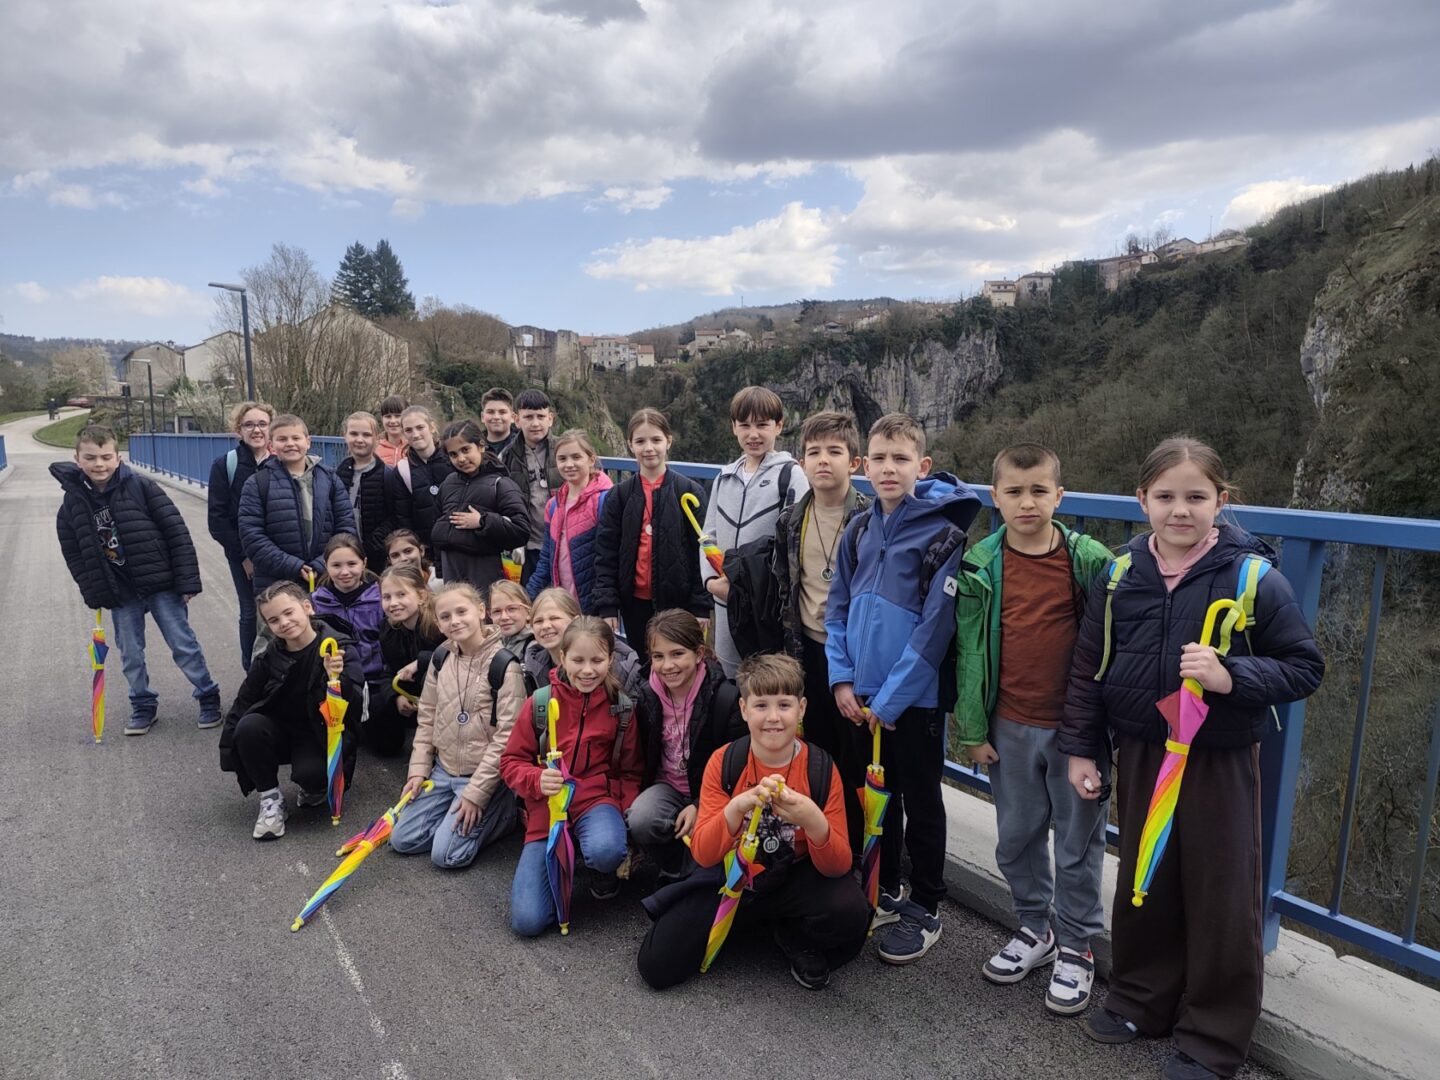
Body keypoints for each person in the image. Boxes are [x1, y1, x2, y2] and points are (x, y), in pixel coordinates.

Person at [1061, 437, 1324, 1080]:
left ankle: (1213, 1035)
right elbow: (1088, 670)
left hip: (1217, 757)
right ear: (1142, 500)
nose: (1180, 510)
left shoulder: (1252, 578)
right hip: (1143, 747)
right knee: (1144, 876)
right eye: (1166, 496)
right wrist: (1082, 749)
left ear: (1221, 501)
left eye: (1196, 497)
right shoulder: (1119, 576)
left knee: (1221, 890)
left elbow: (1303, 667)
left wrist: (1231, 676)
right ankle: (1140, 999)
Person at [952, 444, 1113, 1015]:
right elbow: (969, 653)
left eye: (1039, 491)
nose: (1027, 503)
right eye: (1014, 492)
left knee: (1077, 845)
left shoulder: (1088, 560)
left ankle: (1076, 946)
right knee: (1017, 835)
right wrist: (972, 729)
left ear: (1059, 496)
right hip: (1009, 725)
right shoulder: (980, 563)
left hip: (1077, 733)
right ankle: (1034, 929)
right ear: (994, 498)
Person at [826, 413, 979, 964]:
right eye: (880, 459)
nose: (889, 469)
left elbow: (935, 629)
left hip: (914, 702)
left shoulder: (943, 533)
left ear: (923, 466)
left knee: (921, 798)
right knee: (877, 795)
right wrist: (841, 679)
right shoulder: (859, 528)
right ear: (864, 466)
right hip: (861, 697)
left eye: (901, 459)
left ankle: (927, 904)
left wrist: (889, 700)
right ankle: (885, 886)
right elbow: (836, 608)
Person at [635, 653, 871, 991]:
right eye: (761, 706)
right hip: (731, 875)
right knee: (656, 965)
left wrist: (813, 821)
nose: (773, 717)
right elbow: (703, 854)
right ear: (744, 709)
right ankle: (747, 923)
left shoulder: (820, 767)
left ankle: (789, 933)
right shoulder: (725, 761)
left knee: (851, 911)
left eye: (784, 705)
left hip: (793, 877)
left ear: (801, 709)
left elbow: (838, 866)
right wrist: (735, 810)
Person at [54, 424, 221, 734]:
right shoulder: (71, 506)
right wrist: (93, 590)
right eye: (90, 458)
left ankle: (207, 694)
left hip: (161, 583)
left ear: (118, 457)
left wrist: (187, 581)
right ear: (77, 459)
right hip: (120, 590)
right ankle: (142, 703)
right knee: (130, 652)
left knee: (182, 643)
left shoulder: (142, 487)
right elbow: (74, 554)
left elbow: (176, 532)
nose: (99, 464)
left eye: (106, 457)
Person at [500, 616, 644, 935]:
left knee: (606, 849)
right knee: (527, 922)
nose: (587, 670)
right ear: (563, 658)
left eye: (597, 660)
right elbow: (510, 762)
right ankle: (566, 854)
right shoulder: (540, 703)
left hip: (596, 802)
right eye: (578, 660)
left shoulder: (620, 708)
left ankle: (598, 865)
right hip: (548, 812)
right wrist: (536, 779)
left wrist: (622, 824)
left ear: (610, 659)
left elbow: (630, 771)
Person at [773, 410, 871, 852]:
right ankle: (823, 842)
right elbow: (785, 587)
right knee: (817, 752)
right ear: (801, 462)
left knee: (859, 758)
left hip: (856, 657)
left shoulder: (870, 518)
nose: (823, 460)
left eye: (835, 451)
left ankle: (860, 849)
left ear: (854, 461)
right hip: (808, 651)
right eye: (814, 452)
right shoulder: (792, 520)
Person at [218, 582, 365, 840]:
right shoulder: (269, 657)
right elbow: (243, 702)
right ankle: (270, 798)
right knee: (249, 726)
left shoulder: (337, 648)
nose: (284, 623)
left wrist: (336, 678)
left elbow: (353, 706)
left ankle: (314, 786)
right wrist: (230, 752)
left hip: (319, 733)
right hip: (279, 731)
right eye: (274, 620)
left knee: (313, 776)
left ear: (307, 607)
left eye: (288, 612)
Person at [391, 583, 522, 867]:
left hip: (482, 774)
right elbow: (427, 717)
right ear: (438, 623)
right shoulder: (441, 658)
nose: (455, 621)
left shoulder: (504, 665)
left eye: (462, 612)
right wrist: (418, 770)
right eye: (445, 616)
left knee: (447, 855)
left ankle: (503, 811)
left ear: (481, 611)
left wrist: (476, 794)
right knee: (402, 839)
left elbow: (507, 737)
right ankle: (453, 817)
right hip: (444, 769)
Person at [701, 386, 808, 675]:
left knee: (766, 679)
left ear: (779, 426)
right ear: (734, 427)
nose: (753, 434)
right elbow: (708, 535)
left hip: (766, 610)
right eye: (745, 425)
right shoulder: (725, 477)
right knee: (730, 676)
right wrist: (711, 581)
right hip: (726, 602)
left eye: (762, 425)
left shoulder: (790, 475)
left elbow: (797, 543)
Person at [630, 609, 744, 879]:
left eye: (677, 654)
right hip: (667, 785)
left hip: (713, 791)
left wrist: (700, 804)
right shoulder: (644, 695)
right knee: (641, 818)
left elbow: (737, 764)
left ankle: (704, 865)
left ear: (699, 653)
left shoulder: (724, 697)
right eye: (658, 656)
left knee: (710, 836)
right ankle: (675, 866)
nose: (668, 665)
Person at [593, 408, 710, 648]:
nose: (649, 448)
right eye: (640, 441)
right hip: (634, 603)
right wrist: (607, 605)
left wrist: (701, 605)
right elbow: (606, 552)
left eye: (656, 440)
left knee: (676, 660)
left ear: (668, 441)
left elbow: (702, 551)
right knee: (641, 659)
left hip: (678, 604)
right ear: (630, 445)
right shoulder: (619, 495)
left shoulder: (689, 491)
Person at [238, 413, 356, 593]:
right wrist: (293, 566)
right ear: (271, 445)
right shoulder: (257, 483)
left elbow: (346, 526)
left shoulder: (330, 479)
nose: (290, 443)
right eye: (282, 439)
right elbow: (252, 536)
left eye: (296, 438)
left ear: (308, 442)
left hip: (326, 578)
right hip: (276, 582)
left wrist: (322, 563)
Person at [206, 401, 275, 669]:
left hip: (278, 552)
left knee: (281, 611)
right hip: (242, 556)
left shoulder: (281, 462)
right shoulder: (225, 465)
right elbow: (218, 520)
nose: (256, 430)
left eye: (262, 424)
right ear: (238, 430)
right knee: (250, 612)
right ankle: (252, 672)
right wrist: (245, 556)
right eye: (249, 425)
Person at [430, 419, 530, 593]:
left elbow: (521, 530)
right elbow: (439, 527)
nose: (461, 459)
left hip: (487, 576)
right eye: (453, 454)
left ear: (481, 446)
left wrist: (482, 521)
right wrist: (440, 572)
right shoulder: (447, 484)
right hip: (452, 578)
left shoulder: (501, 484)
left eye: (465, 450)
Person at [524, 428, 613, 613]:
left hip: (594, 605)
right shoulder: (553, 505)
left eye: (576, 457)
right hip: (564, 605)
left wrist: (608, 606)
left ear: (591, 459)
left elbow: (610, 559)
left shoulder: (604, 500)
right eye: (562, 459)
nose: (569, 464)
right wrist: (527, 598)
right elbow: (546, 558)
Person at [370, 564, 445, 756]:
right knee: (377, 708)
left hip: (444, 698)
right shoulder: (389, 630)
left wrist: (421, 661)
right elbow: (387, 670)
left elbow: (459, 657)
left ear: (421, 596)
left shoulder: (439, 624)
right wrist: (395, 697)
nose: (393, 603)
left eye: (401, 595)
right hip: (413, 697)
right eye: (387, 597)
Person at [525, 587, 646, 702]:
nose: (545, 626)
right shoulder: (532, 667)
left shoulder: (622, 666)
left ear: (575, 620)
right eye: (538, 621)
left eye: (554, 618)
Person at [499, 389, 560, 587]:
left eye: (541, 416)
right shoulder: (506, 457)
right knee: (531, 596)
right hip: (528, 546)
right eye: (528, 417)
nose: (535, 423)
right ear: (516, 420)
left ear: (550, 419)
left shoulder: (564, 450)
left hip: (562, 543)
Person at [310, 534, 385, 687]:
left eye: (352, 564)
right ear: (326, 565)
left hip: (377, 680)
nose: (344, 572)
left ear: (364, 563)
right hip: (334, 681)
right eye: (336, 565)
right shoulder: (315, 603)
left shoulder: (381, 598)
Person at [385, 405, 453, 564]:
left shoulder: (453, 460)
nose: (415, 434)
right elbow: (403, 517)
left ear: (432, 427)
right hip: (426, 553)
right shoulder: (402, 470)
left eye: (420, 427)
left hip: (457, 547)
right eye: (409, 430)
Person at [335, 411, 392, 573]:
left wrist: (374, 543)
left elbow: (395, 516)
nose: (359, 440)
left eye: (366, 435)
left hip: (377, 556)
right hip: (345, 554)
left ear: (376, 439)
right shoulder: (337, 474)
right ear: (345, 436)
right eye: (354, 434)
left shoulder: (388, 475)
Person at [487, 579, 534, 655]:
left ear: (528, 612)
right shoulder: (491, 645)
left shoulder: (534, 648)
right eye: (497, 611)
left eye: (512, 609)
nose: (504, 617)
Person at [479, 387, 519, 455]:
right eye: (490, 412)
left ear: (512, 417)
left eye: (502, 412)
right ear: (482, 417)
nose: (496, 417)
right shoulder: (474, 446)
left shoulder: (523, 445)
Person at [376, 395, 410, 468]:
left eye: (398, 416)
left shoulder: (415, 447)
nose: (392, 421)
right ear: (382, 419)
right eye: (388, 416)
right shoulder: (374, 448)